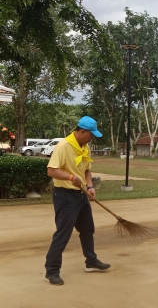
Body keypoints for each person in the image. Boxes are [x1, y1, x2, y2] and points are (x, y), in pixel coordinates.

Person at [44, 116, 110, 286]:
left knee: (88, 229)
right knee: (63, 234)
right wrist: (70, 176)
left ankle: (91, 261)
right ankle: (52, 271)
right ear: (82, 132)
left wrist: (90, 187)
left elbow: (87, 169)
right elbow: (51, 171)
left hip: (81, 195)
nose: (92, 138)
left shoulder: (85, 146)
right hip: (65, 195)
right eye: (91, 135)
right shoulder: (64, 146)